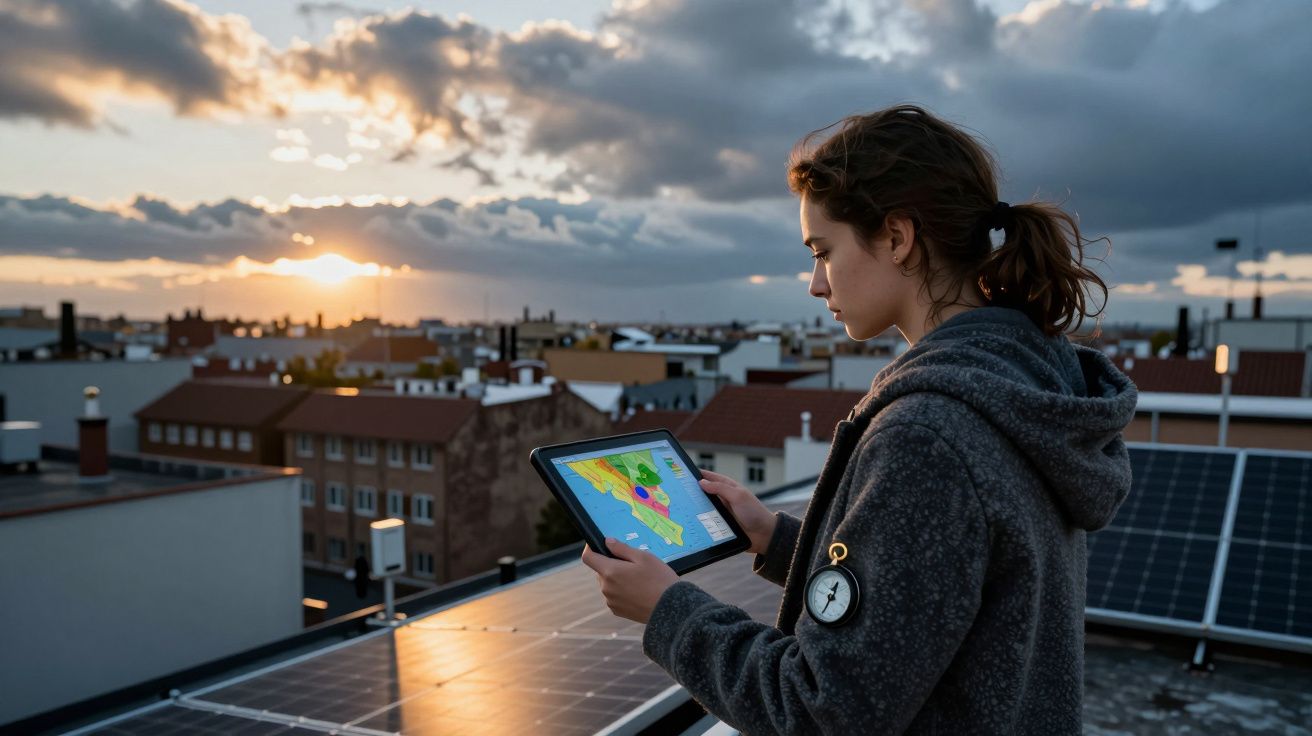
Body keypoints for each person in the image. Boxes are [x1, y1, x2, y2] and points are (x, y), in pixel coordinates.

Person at [581, 104, 1138, 735]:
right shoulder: (1024, 380)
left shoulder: (929, 434)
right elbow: (933, 596)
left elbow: (822, 711)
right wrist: (777, 537)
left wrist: (668, 612)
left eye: (823, 251)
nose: (816, 284)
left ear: (898, 238)